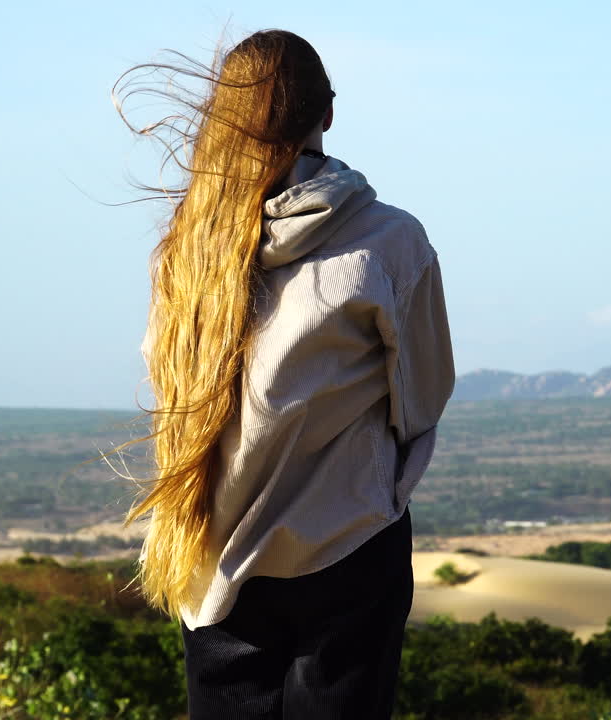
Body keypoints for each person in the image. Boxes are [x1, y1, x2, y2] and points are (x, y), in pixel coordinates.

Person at [114, 29, 455, 719]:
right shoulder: (388, 243)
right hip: (347, 543)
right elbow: (423, 397)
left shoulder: (185, 250)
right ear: (326, 114)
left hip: (214, 562)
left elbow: (165, 386)